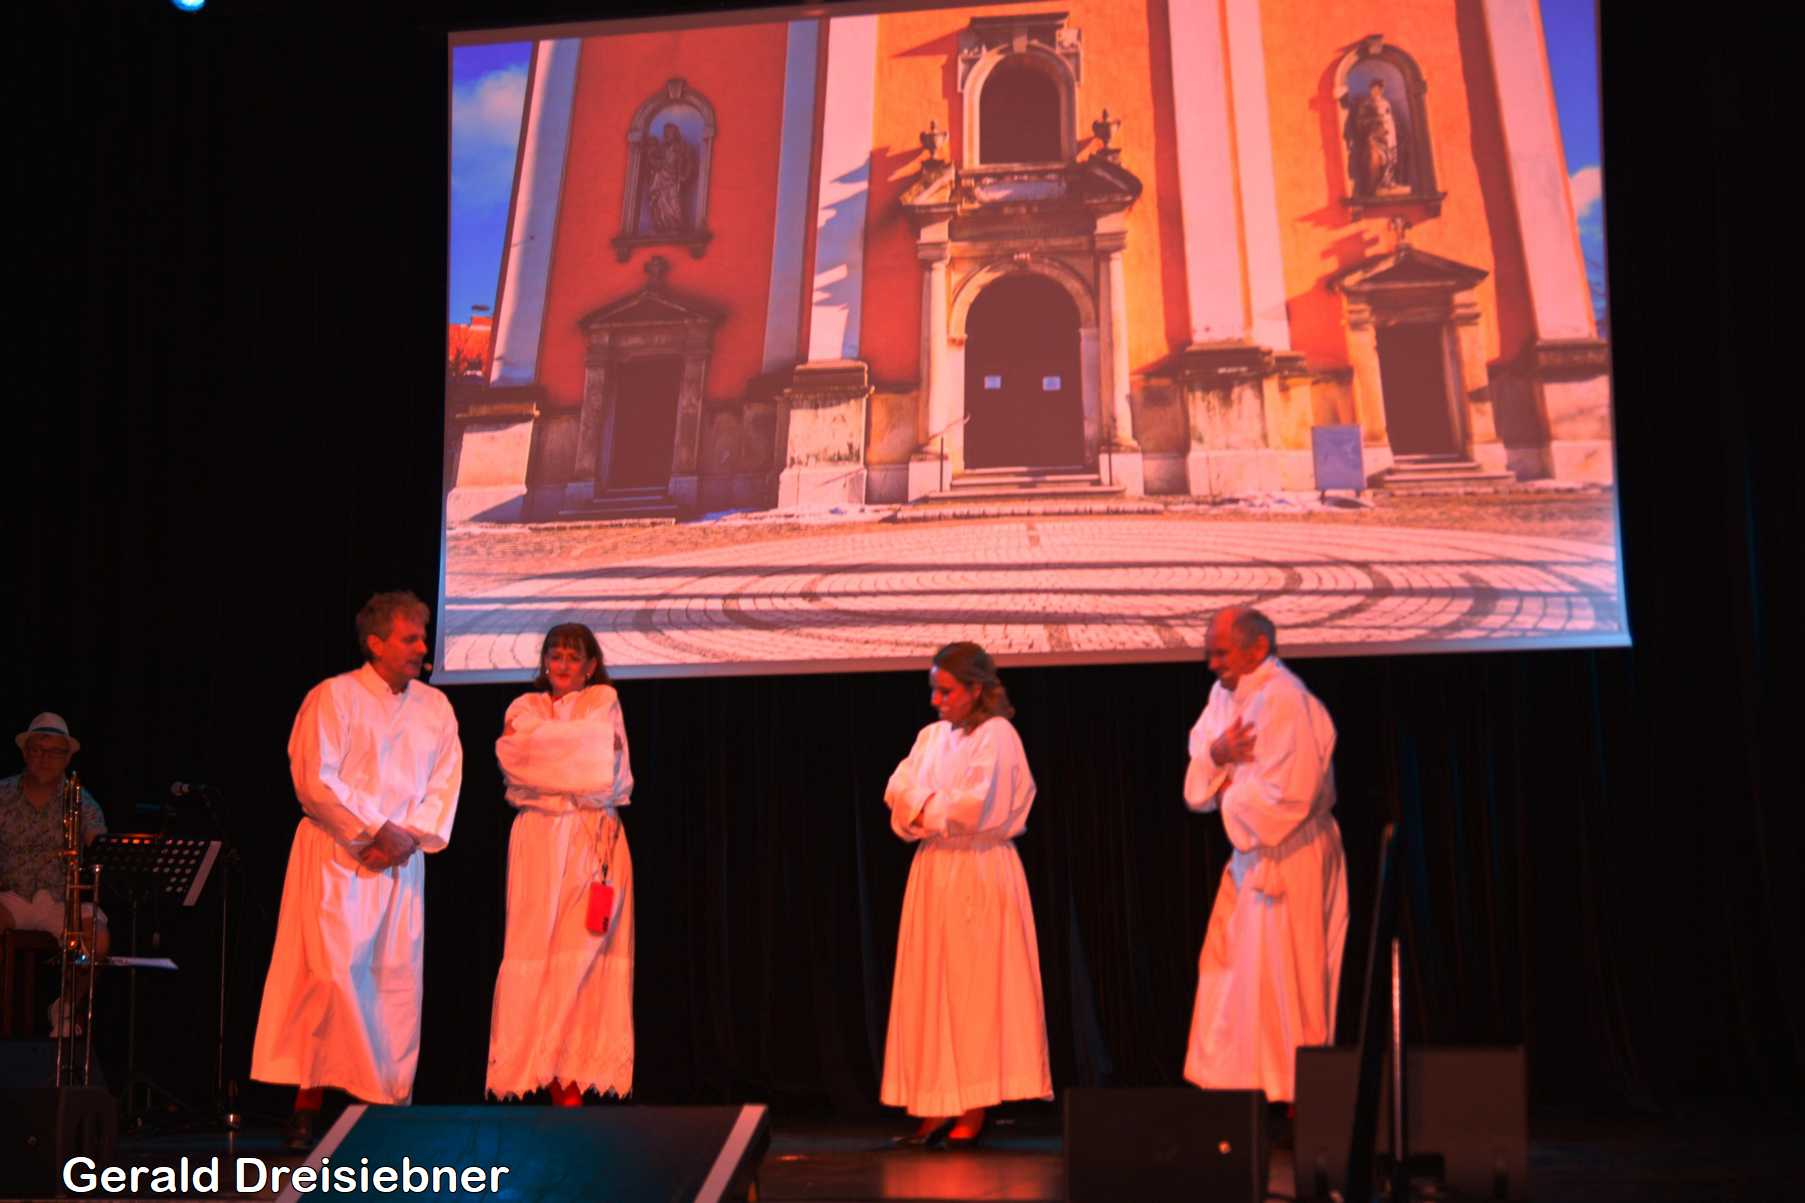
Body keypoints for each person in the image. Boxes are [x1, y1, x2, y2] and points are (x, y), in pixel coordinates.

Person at [250, 592, 463, 1150]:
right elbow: (315, 779)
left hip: (400, 862)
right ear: (376, 643)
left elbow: (444, 783)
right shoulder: (334, 696)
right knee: (329, 979)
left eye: (422, 636)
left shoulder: (435, 707)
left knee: (394, 981)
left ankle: (383, 1107)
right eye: (410, 638)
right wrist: (373, 829)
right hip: (337, 857)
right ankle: (307, 1103)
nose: (421, 647)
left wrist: (406, 837)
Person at [881, 642, 1051, 1147]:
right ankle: (936, 1100)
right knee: (931, 985)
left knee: (973, 987)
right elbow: (895, 791)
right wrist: (929, 809)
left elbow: (973, 809)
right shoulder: (930, 737)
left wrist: (924, 808)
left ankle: (974, 1103)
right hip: (935, 870)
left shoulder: (997, 736)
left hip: (979, 869)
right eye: (934, 690)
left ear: (975, 689)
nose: (936, 700)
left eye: (947, 691)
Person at [1182, 607, 1348, 1106]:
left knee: (1293, 979)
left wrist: (1228, 790)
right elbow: (1200, 768)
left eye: (1222, 652)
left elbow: (1290, 796)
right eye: (1210, 652)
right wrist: (1218, 757)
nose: (1212, 663)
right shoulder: (1223, 695)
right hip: (1252, 856)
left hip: (1292, 857)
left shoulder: (1286, 699)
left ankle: (1304, 1101)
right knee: (1233, 977)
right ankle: (1245, 1094)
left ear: (1257, 649)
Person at [486, 623, 635, 1105]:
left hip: (591, 840)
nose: (563, 665)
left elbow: (605, 773)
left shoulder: (602, 700)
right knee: (538, 953)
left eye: (573, 657)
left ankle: (571, 1080)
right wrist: (577, 751)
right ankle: (548, 1076)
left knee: (582, 956)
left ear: (590, 666)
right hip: (538, 842)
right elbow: (512, 759)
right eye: (555, 655)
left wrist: (546, 752)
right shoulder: (524, 707)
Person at [0, 713, 109, 1036]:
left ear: (67, 757)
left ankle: (67, 1006)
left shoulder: (81, 799)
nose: (45, 758)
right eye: (38, 749)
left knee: (98, 940)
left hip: (62, 899)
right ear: (25, 753)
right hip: (11, 894)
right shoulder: (2, 793)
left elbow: (100, 845)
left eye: (55, 751)